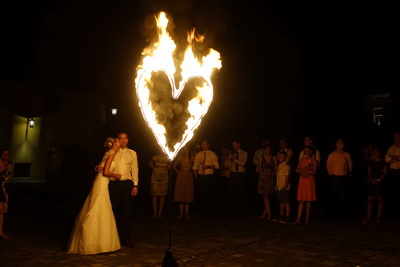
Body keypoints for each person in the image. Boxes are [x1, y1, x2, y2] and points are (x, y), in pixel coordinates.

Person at [67, 137, 122, 255]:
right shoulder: (111, 154)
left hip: (102, 182)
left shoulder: (109, 153)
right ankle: (91, 242)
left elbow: (103, 169)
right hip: (101, 183)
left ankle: (100, 241)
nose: (119, 142)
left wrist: (101, 169)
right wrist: (117, 175)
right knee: (97, 206)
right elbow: (106, 172)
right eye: (117, 141)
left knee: (100, 206)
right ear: (114, 145)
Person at [108, 131, 139, 247]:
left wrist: (135, 185)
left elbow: (135, 169)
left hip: (127, 184)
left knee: (127, 212)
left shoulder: (132, 153)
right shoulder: (112, 152)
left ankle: (126, 238)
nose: (123, 140)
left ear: (128, 139)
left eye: (125, 138)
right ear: (117, 140)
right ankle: (112, 237)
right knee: (113, 210)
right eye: (121, 138)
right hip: (114, 184)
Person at [326, 138, 353, 220]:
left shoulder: (347, 155)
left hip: (343, 178)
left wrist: (348, 173)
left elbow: (350, 165)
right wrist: (331, 174)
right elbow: (328, 166)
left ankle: (343, 215)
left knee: (343, 197)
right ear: (337, 144)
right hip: (334, 178)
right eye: (341, 143)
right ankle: (335, 215)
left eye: (343, 143)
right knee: (334, 197)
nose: (343, 144)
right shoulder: (331, 155)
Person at [192, 140, 219, 219]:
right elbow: (195, 166)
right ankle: (202, 213)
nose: (204, 145)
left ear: (208, 145)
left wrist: (208, 166)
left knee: (210, 195)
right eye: (202, 144)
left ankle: (210, 213)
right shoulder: (198, 154)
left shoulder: (212, 154)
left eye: (205, 144)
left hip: (209, 177)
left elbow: (217, 166)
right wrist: (196, 177)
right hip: (201, 177)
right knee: (201, 195)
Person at [293, 146, 318, 225]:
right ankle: (298, 219)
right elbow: (296, 170)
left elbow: (314, 172)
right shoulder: (301, 160)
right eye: (305, 151)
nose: (306, 152)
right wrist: (305, 169)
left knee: (308, 200)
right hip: (302, 181)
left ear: (311, 152)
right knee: (301, 200)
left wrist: (307, 171)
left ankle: (307, 219)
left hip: (309, 180)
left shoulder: (314, 161)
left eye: (308, 151)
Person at [363, 147, 388, 224]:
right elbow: (369, 172)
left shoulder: (383, 162)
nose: (375, 153)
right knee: (370, 199)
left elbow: (385, 173)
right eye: (374, 151)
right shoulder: (371, 162)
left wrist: (378, 180)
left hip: (379, 182)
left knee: (379, 199)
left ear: (380, 153)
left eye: (376, 151)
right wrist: (371, 180)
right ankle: (368, 217)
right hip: (372, 182)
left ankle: (379, 217)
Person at [173, 145, 194, 219]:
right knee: (181, 194)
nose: (185, 150)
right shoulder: (181, 157)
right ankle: (181, 214)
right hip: (181, 177)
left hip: (188, 177)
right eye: (183, 148)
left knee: (187, 194)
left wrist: (193, 173)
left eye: (186, 148)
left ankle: (186, 214)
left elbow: (195, 166)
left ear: (188, 149)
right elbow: (174, 165)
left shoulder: (191, 158)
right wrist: (178, 172)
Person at [257, 144, 277, 221]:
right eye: (266, 149)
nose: (267, 151)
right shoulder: (261, 159)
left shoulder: (274, 158)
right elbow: (259, 170)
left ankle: (266, 213)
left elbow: (276, 169)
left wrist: (275, 179)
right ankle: (268, 214)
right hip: (263, 178)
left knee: (268, 196)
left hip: (271, 178)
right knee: (265, 196)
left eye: (269, 149)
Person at [149, 149, 170, 218]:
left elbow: (170, 164)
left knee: (162, 195)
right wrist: (154, 168)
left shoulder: (168, 157)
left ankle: (160, 212)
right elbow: (150, 162)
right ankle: (155, 212)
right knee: (154, 194)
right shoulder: (155, 157)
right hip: (155, 176)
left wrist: (165, 168)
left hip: (164, 176)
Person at [384, 131, 400, 218]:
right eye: (395, 136)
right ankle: (395, 212)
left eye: (397, 136)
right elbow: (386, 159)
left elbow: (390, 159)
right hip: (393, 173)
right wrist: (398, 158)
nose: (396, 138)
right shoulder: (391, 148)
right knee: (394, 192)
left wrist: (393, 158)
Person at [273, 151, 291, 224]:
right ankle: (281, 215)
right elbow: (278, 177)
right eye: (279, 157)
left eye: (282, 157)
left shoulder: (286, 166)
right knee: (281, 202)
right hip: (279, 186)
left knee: (286, 201)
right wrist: (276, 185)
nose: (280, 158)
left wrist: (285, 186)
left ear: (285, 158)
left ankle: (287, 217)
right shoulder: (279, 166)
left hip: (284, 187)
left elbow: (287, 177)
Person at [0, 149, 13, 240]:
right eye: (4, 154)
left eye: (7, 154)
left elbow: (9, 176)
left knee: (2, 211)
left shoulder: (10, 164)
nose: (5, 155)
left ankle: (0, 231)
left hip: (5, 189)